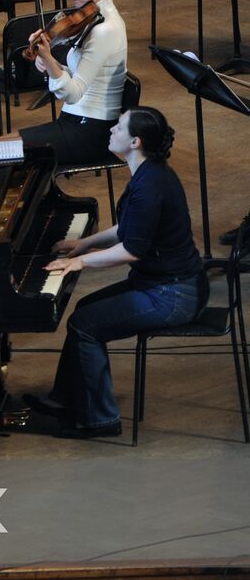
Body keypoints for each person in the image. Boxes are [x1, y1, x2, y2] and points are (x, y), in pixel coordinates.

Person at [31, 107, 207, 438]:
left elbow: (131, 250)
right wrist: (83, 244)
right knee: (85, 312)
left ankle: (100, 420)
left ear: (135, 141)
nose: (112, 129)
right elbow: (128, 229)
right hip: (164, 285)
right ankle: (67, 400)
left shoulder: (149, 185)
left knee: (85, 326)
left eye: (119, 126)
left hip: (172, 295)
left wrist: (79, 262)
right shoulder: (148, 173)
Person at [7, 0, 127, 165]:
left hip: (89, 131)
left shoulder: (105, 29)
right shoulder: (93, 18)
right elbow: (79, 73)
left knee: (0, 152)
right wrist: (51, 63)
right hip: (74, 121)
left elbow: (73, 94)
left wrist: (50, 60)